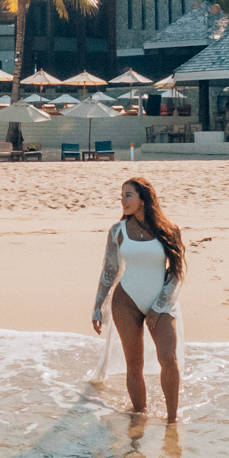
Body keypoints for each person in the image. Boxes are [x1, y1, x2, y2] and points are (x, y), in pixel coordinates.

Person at [91, 177, 185, 423]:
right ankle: (139, 419)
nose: (122, 200)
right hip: (126, 301)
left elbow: (176, 274)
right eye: (121, 195)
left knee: (168, 358)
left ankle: (172, 421)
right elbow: (109, 271)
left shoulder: (169, 230)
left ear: (143, 198)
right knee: (134, 364)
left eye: (128, 195)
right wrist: (98, 306)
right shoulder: (117, 231)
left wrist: (158, 306)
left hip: (161, 303)